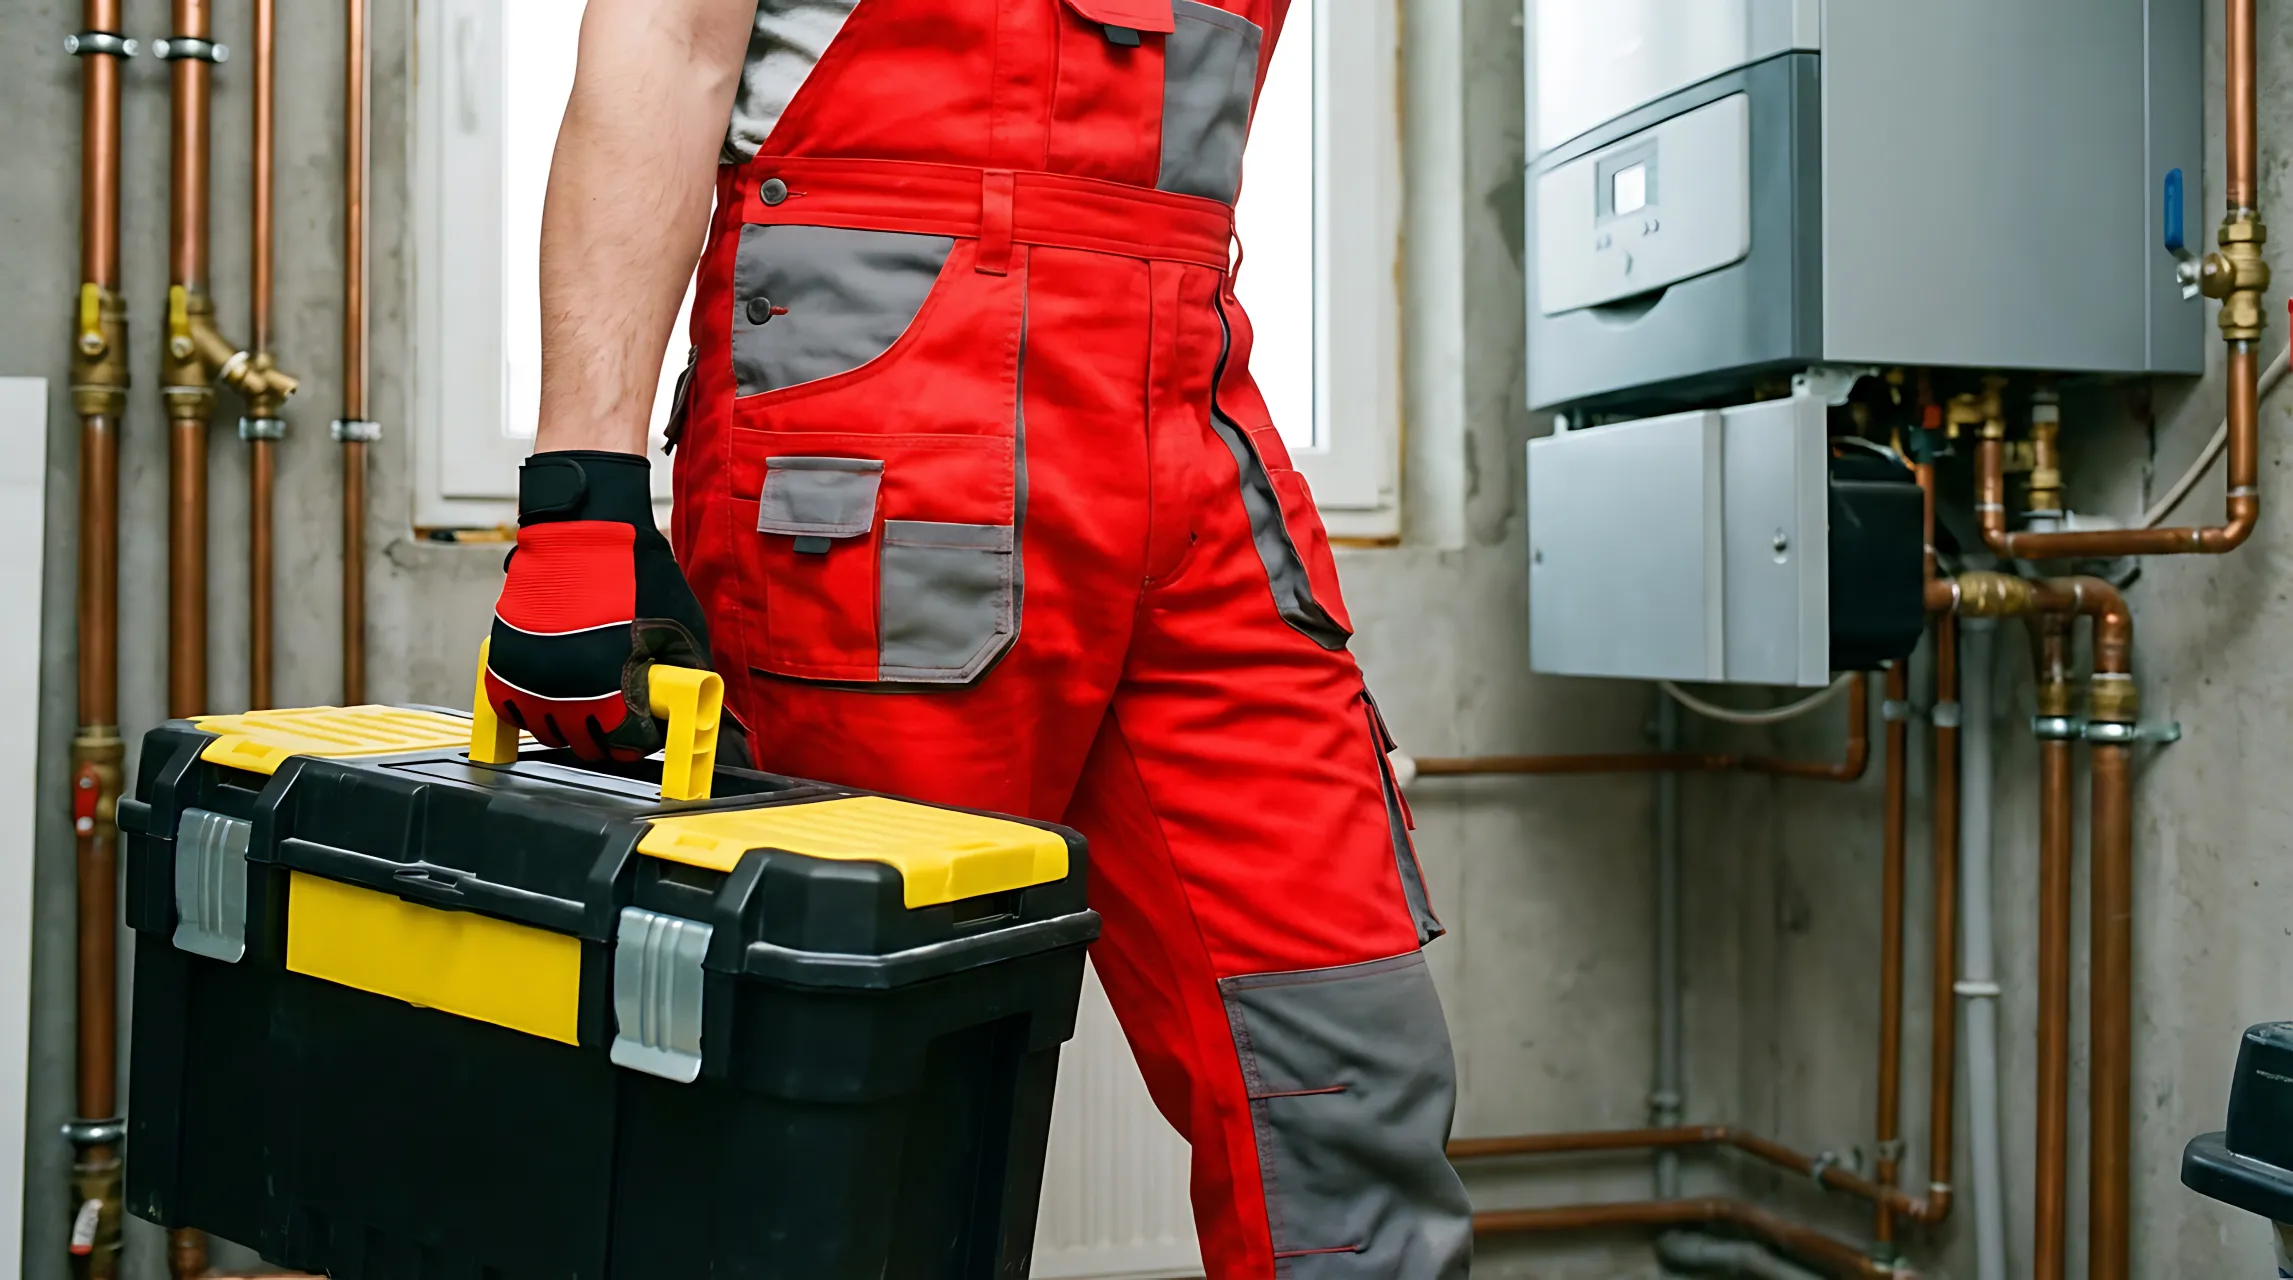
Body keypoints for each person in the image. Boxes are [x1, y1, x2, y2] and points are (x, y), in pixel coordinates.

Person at [480, 2, 1473, 1274]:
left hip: (1189, 419)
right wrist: (581, 495)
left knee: (1347, 1057)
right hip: (889, 430)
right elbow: (668, 41)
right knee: (859, 1097)